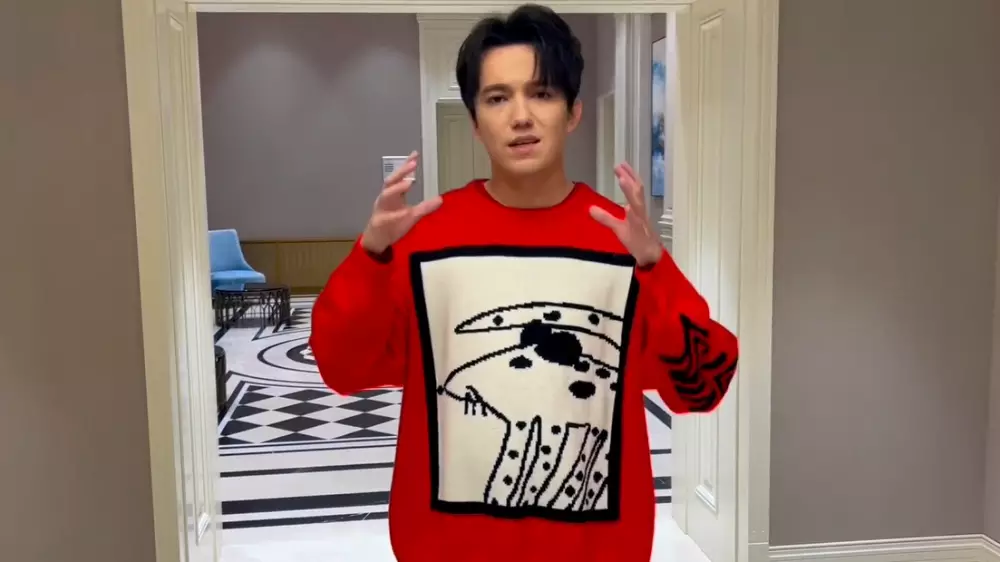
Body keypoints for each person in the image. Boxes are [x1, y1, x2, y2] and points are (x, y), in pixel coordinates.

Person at [310, 4, 738, 561]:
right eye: (497, 98)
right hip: (447, 548)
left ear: (573, 112)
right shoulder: (423, 241)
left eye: (541, 93)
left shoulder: (619, 241)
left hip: (593, 549)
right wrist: (370, 254)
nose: (520, 116)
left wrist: (656, 267)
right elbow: (342, 369)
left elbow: (702, 385)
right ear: (474, 120)